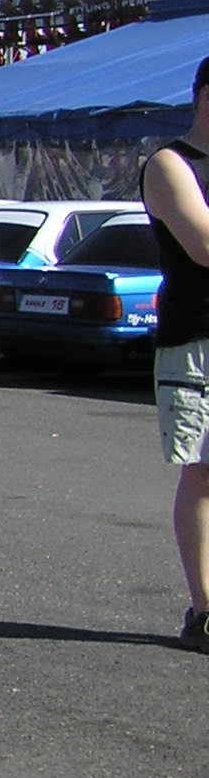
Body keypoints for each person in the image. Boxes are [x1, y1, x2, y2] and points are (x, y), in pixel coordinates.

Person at [143, 55, 209, 646]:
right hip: (199, 341)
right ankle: (205, 608)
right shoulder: (172, 164)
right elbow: (204, 243)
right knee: (206, 472)